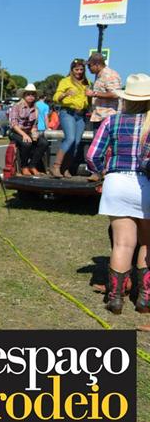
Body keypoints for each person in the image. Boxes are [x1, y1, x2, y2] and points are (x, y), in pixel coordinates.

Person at [86, 73, 150, 316]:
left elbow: (92, 155)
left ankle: (115, 298)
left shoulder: (111, 121)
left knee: (123, 243)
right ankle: (144, 299)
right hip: (146, 184)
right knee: (147, 243)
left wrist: (101, 172)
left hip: (116, 182)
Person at [51, 58, 90, 178]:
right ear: (72, 69)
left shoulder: (86, 82)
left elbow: (88, 100)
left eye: (81, 69)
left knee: (77, 143)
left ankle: (65, 168)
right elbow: (55, 97)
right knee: (70, 139)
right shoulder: (65, 81)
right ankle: (56, 166)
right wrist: (65, 94)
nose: (79, 72)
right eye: (76, 69)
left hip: (81, 115)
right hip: (68, 113)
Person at [9, 83, 49, 175]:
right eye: (28, 94)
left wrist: (34, 132)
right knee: (27, 143)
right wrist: (24, 135)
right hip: (16, 132)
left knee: (44, 143)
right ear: (24, 95)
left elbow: (34, 125)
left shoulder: (36, 109)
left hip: (28, 131)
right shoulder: (16, 106)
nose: (31, 96)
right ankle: (24, 166)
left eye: (33, 95)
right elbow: (14, 124)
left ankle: (32, 165)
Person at [86, 52, 123, 126]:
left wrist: (94, 94)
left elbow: (115, 94)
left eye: (89, 65)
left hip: (108, 118)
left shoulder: (110, 75)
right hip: (100, 116)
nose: (88, 68)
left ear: (97, 65)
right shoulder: (100, 75)